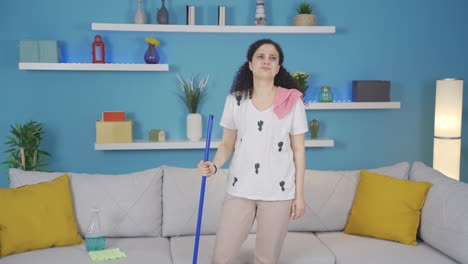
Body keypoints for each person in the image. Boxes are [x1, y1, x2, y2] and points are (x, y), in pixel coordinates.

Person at [197, 38, 308, 264]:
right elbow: (227, 143)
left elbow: (298, 150)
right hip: (240, 190)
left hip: (279, 193)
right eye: (260, 56)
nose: (266, 61)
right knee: (221, 258)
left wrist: (299, 195)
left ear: (278, 67)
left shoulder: (292, 101)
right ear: (250, 64)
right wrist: (214, 165)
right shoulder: (235, 100)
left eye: (272, 58)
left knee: (266, 260)